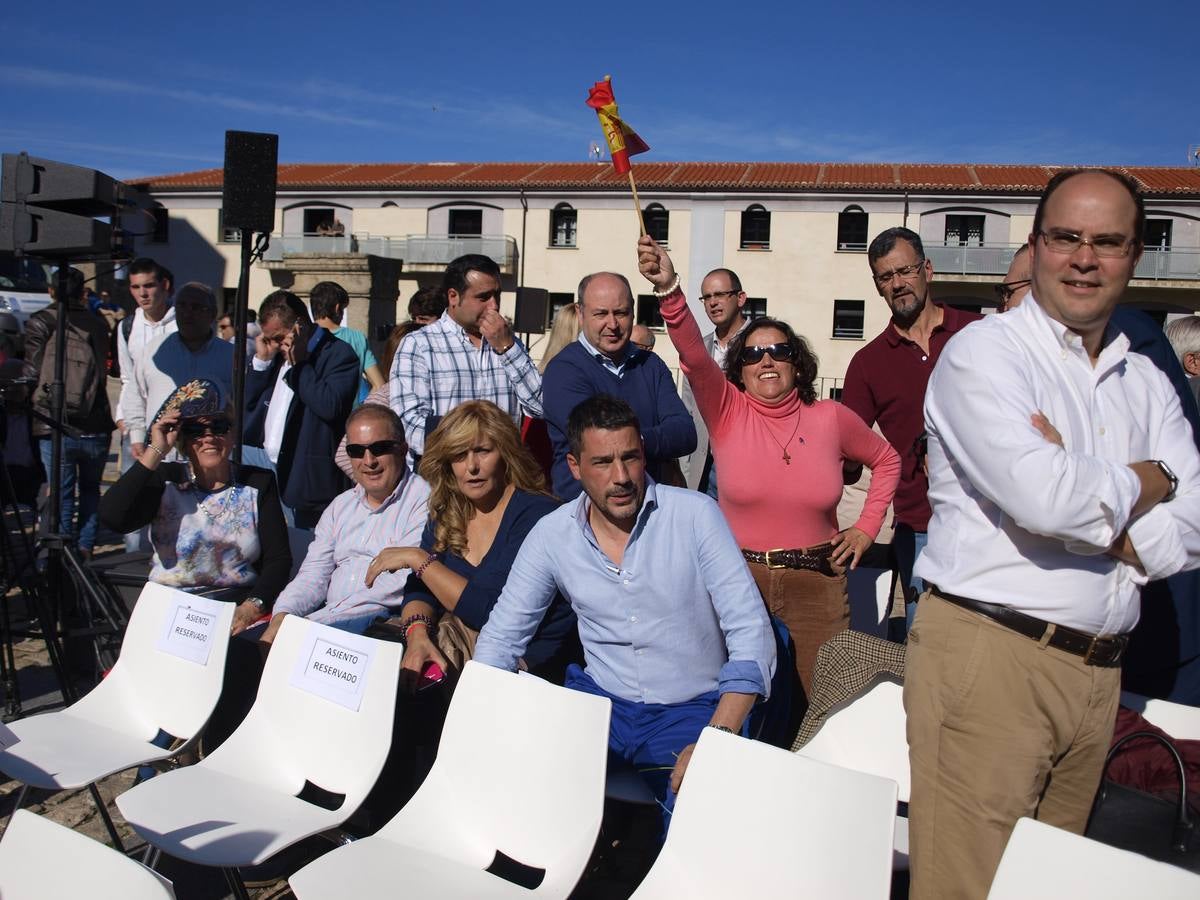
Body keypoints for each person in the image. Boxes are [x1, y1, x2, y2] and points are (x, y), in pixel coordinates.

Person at [906, 169, 1200, 899]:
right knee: (965, 889)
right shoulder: (987, 354)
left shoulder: (1145, 379)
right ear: (1035, 246)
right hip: (993, 659)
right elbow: (1049, 500)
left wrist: (1095, 496)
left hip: (1101, 674)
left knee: (1049, 887)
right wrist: (1152, 478)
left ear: (1135, 255)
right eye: (1066, 237)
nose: (1084, 258)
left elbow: (1190, 521)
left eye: (1108, 241)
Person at [473, 395, 776, 830]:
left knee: (698, 821)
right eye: (602, 462)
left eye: (630, 458)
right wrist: (484, 717)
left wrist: (720, 736)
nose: (621, 478)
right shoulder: (553, 534)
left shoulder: (694, 516)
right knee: (519, 793)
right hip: (600, 707)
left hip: (691, 708)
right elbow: (501, 638)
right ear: (575, 467)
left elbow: (750, 630)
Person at [638, 237, 900, 704]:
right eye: (754, 354)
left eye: (779, 350)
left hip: (818, 583)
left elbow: (887, 460)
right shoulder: (727, 411)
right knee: (739, 700)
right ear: (739, 371)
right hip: (739, 579)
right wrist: (669, 289)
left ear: (797, 365)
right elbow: (696, 358)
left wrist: (865, 528)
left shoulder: (831, 419)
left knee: (820, 702)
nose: (767, 360)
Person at [365, 400, 579, 685]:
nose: (472, 467)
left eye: (482, 451)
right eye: (459, 454)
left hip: (528, 670)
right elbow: (422, 588)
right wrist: (417, 636)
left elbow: (491, 612)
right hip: (462, 660)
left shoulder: (538, 516)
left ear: (504, 453)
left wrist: (419, 560)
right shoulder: (447, 513)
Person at [840, 227, 982, 638]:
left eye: (905, 270)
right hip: (920, 525)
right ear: (877, 286)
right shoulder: (867, 363)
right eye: (886, 277)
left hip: (992, 519)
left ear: (928, 270)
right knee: (927, 645)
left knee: (992, 646)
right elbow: (848, 449)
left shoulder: (978, 333)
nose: (898, 284)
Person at [99, 380, 291, 633]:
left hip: (234, 606)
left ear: (232, 433)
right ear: (182, 440)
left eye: (219, 427)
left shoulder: (257, 483)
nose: (208, 437)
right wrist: (155, 450)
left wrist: (252, 606)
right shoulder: (166, 479)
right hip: (170, 607)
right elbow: (113, 517)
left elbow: (278, 560)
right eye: (195, 431)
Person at [261, 404, 430, 641]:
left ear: (402, 450)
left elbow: (397, 586)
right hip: (328, 622)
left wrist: (318, 622)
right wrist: (283, 614)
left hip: (385, 624)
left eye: (379, 448)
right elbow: (313, 575)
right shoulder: (340, 506)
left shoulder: (424, 501)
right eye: (357, 451)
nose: (368, 461)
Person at [542, 271, 695, 499]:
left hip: (649, 510)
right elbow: (597, 441)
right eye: (601, 313)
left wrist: (636, 440)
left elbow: (685, 433)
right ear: (580, 313)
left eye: (621, 313)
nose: (612, 324)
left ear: (633, 313)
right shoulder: (564, 370)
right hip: (586, 514)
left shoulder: (650, 365)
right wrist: (653, 441)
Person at [389, 255, 542, 459]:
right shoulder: (420, 345)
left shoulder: (508, 342)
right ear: (453, 297)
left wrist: (508, 349)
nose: (494, 305)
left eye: (497, 295)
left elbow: (540, 407)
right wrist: (473, 450)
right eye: (483, 297)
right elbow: (410, 426)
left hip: (503, 476)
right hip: (446, 476)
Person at [243, 290, 360, 528]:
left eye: (278, 338)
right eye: (269, 339)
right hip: (266, 467)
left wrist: (302, 364)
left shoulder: (338, 354)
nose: (275, 345)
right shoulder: (277, 355)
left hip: (306, 477)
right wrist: (262, 362)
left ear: (300, 325)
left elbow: (330, 406)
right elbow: (247, 408)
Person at [22, 267, 115, 559]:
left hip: (53, 423)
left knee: (61, 493)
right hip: (95, 421)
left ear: (51, 291)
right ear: (83, 293)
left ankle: (60, 554)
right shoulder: (98, 324)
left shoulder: (42, 322)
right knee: (90, 490)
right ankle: (85, 547)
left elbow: (31, 371)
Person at [122, 283, 234, 461]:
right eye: (181, 306)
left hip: (210, 457)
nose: (187, 313)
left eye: (196, 307)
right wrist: (137, 437)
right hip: (161, 455)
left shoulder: (231, 357)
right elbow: (135, 394)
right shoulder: (154, 350)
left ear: (213, 314)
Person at [115, 258, 176, 550]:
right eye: (136, 287)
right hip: (139, 429)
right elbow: (128, 380)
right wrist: (128, 424)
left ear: (164, 285)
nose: (143, 293)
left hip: (176, 432)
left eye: (149, 285)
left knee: (174, 505)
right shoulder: (127, 326)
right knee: (133, 505)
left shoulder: (182, 321)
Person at [680, 268, 752, 496]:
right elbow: (688, 410)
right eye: (707, 297)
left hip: (747, 463)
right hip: (704, 467)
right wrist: (685, 466)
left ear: (740, 298)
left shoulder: (762, 343)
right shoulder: (698, 349)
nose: (713, 303)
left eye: (720, 295)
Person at [310, 280, 385, 404]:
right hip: (350, 418)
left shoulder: (302, 338)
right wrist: (361, 410)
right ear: (337, 308)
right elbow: (379, 385)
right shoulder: (357, 338)